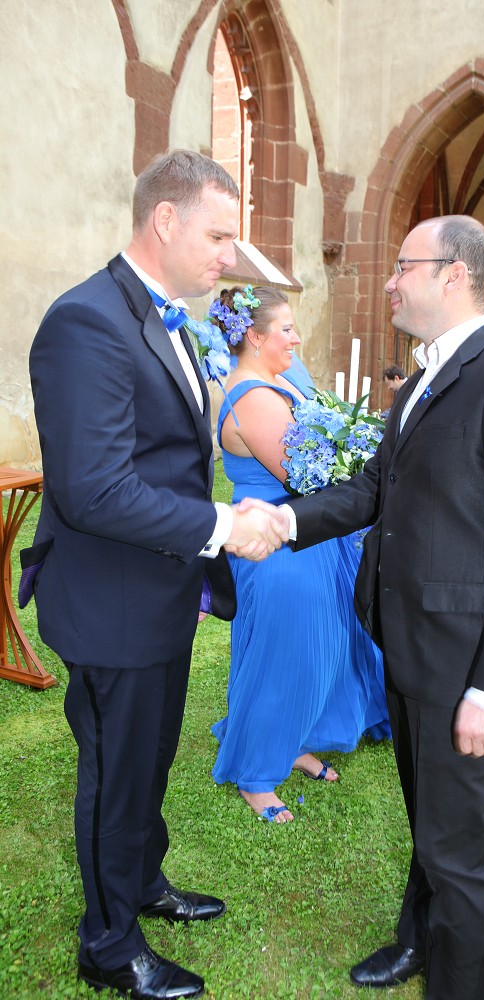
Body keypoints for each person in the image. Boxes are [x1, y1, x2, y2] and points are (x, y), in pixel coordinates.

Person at [241, 216, 484, 997]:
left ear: (453, 273)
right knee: (432, 822)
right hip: (409, 645)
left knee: (463, 854)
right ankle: (417, 940)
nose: (389, 281)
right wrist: (285, 521)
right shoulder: (428, 374)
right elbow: (375, 488)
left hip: (466, 666)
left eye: (402, 266)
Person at [21, 150, 288, 1000]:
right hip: (110, 602)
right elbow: (93, 489)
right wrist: (223, 525)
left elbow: (166, 459)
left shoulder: (167, 317)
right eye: (217, 236)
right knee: (115, 773)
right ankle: (108, 946)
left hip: (160, 592)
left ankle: (140, 883)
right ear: (164, 220)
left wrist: (197, 556)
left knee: (150, 758)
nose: (228, 256)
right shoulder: (86, 321)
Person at [210, 285, 390, 823]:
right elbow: (304, 474)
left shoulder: (281, 379)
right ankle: (256, 774)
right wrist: (363, 463)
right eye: (285, 329)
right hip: (276, 545)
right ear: (253, 335)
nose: (296, 338)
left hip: (306, 535)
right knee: (283, 658)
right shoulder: (252, 397)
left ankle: (293, 741)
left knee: (317, 652)